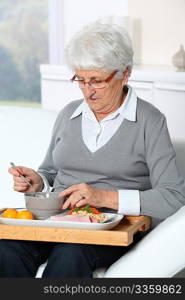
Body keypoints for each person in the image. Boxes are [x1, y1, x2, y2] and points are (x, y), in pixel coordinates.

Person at [1, 18, 185, 278]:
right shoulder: (68, 115)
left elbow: (174, 196)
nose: (88, 92)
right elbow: (50, 172)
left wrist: (104, 197)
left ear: (125, 74)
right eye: (81, 80)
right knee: (6, 250)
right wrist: (38, 182)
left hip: (109, 229)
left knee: (70, 254)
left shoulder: (149, 121)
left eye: (97, 81)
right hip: (57, 221)